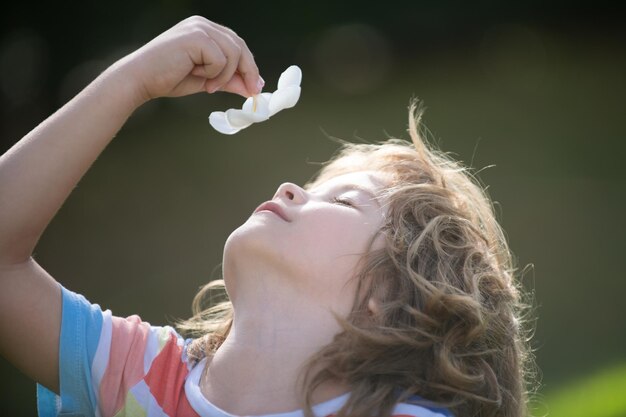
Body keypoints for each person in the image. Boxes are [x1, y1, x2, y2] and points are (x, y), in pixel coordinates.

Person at [0, 15, 534, 417]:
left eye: (343, 200)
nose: (290, 189)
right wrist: (130, 81)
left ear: (387, 297)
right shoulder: (139, 377)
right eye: (311, 186)